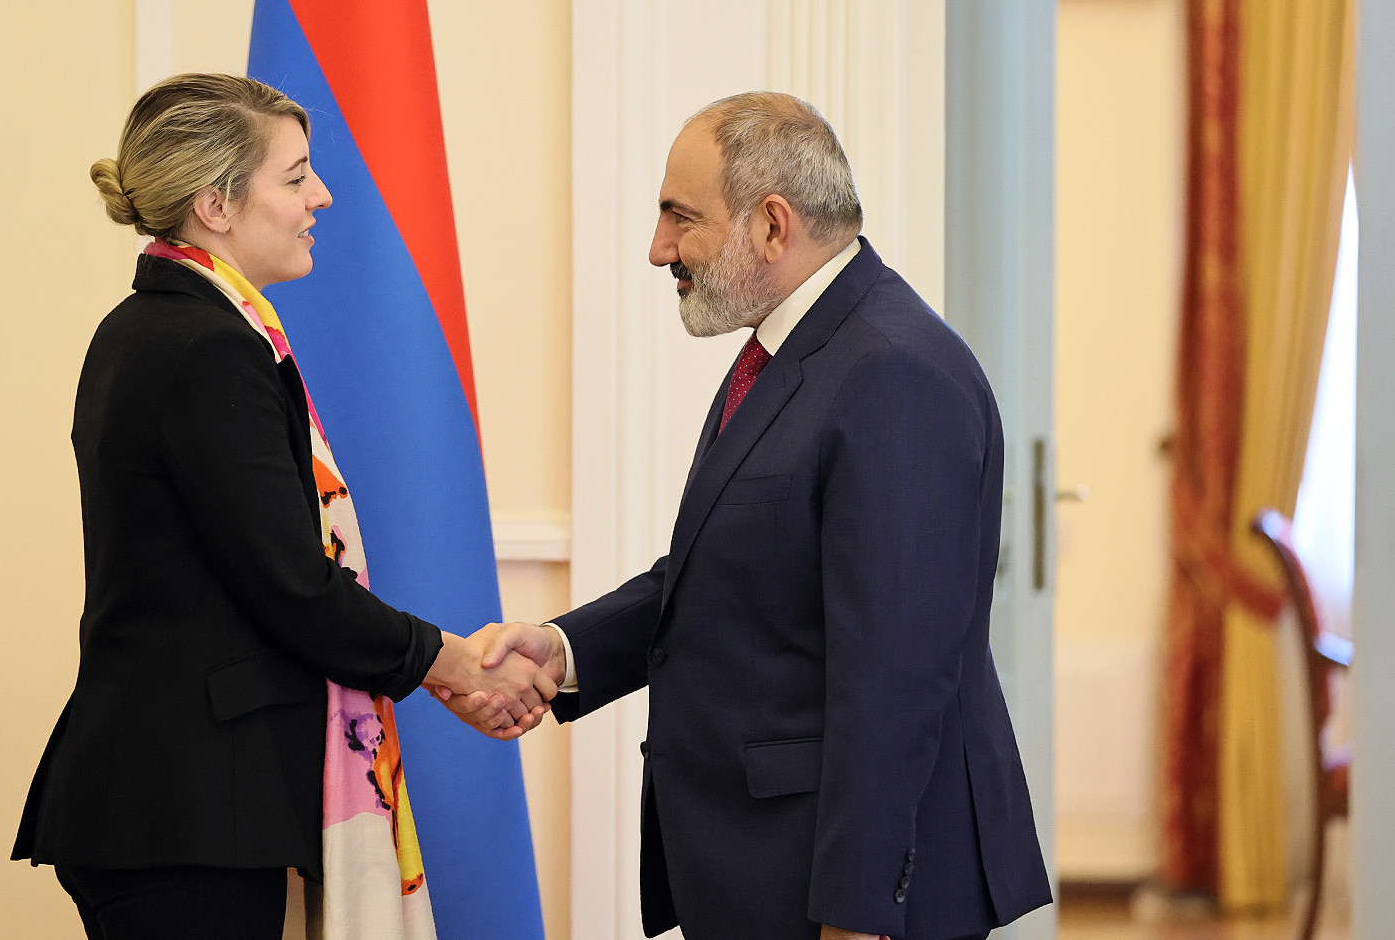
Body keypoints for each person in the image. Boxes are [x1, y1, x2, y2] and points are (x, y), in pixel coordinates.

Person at [439, 92, 1053, 940]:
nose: (659, 250)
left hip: (841, 896)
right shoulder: (792, 352)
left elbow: (897, 677)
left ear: (772, 226)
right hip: (763, 873)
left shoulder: (895, 373)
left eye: (679, 218)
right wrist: (566, 648)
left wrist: (858, 914)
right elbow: (722, 576)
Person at [11, 73, 552, 940]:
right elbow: (294, 587)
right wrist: (453, 664)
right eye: (296, 175)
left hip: (174, 804)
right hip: (184, 813)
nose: (323, 195)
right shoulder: (209, 349)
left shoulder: (152, 325)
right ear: (215, 205)